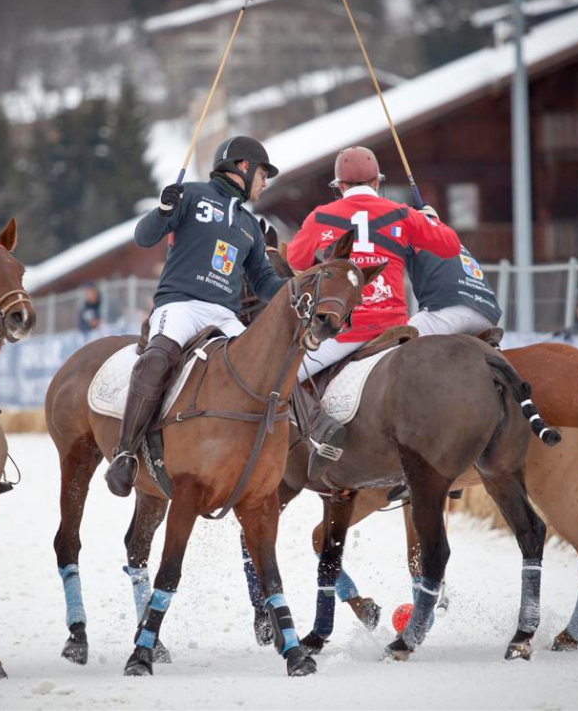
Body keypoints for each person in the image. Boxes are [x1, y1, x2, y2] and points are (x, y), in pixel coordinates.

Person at [104, 136, 288, 497]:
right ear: (243, 167)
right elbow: (144, 238)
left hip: (225, 314)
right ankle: (125, 453)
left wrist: (295, 293)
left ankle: (294, 444)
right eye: (263, 173)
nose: (265, 183)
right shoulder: (189, 194)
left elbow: (264, 281)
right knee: (156, 360)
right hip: (181, 305)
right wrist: (161, 210)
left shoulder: (250, 224)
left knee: (270, 365)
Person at [286, 146, 461, 480]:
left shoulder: (322, 216)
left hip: (343, 333)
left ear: (339, 186)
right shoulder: (402, 213)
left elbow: (295, 260)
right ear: (376, 182)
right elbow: (450, 246)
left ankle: (323, 430)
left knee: (285, 371)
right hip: (393, 328)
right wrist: (429, 220)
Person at [406, 243, 501, 337]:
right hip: (488, 315)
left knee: (398, 342)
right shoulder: (446, 235)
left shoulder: (401, 232)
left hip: (450, 311)